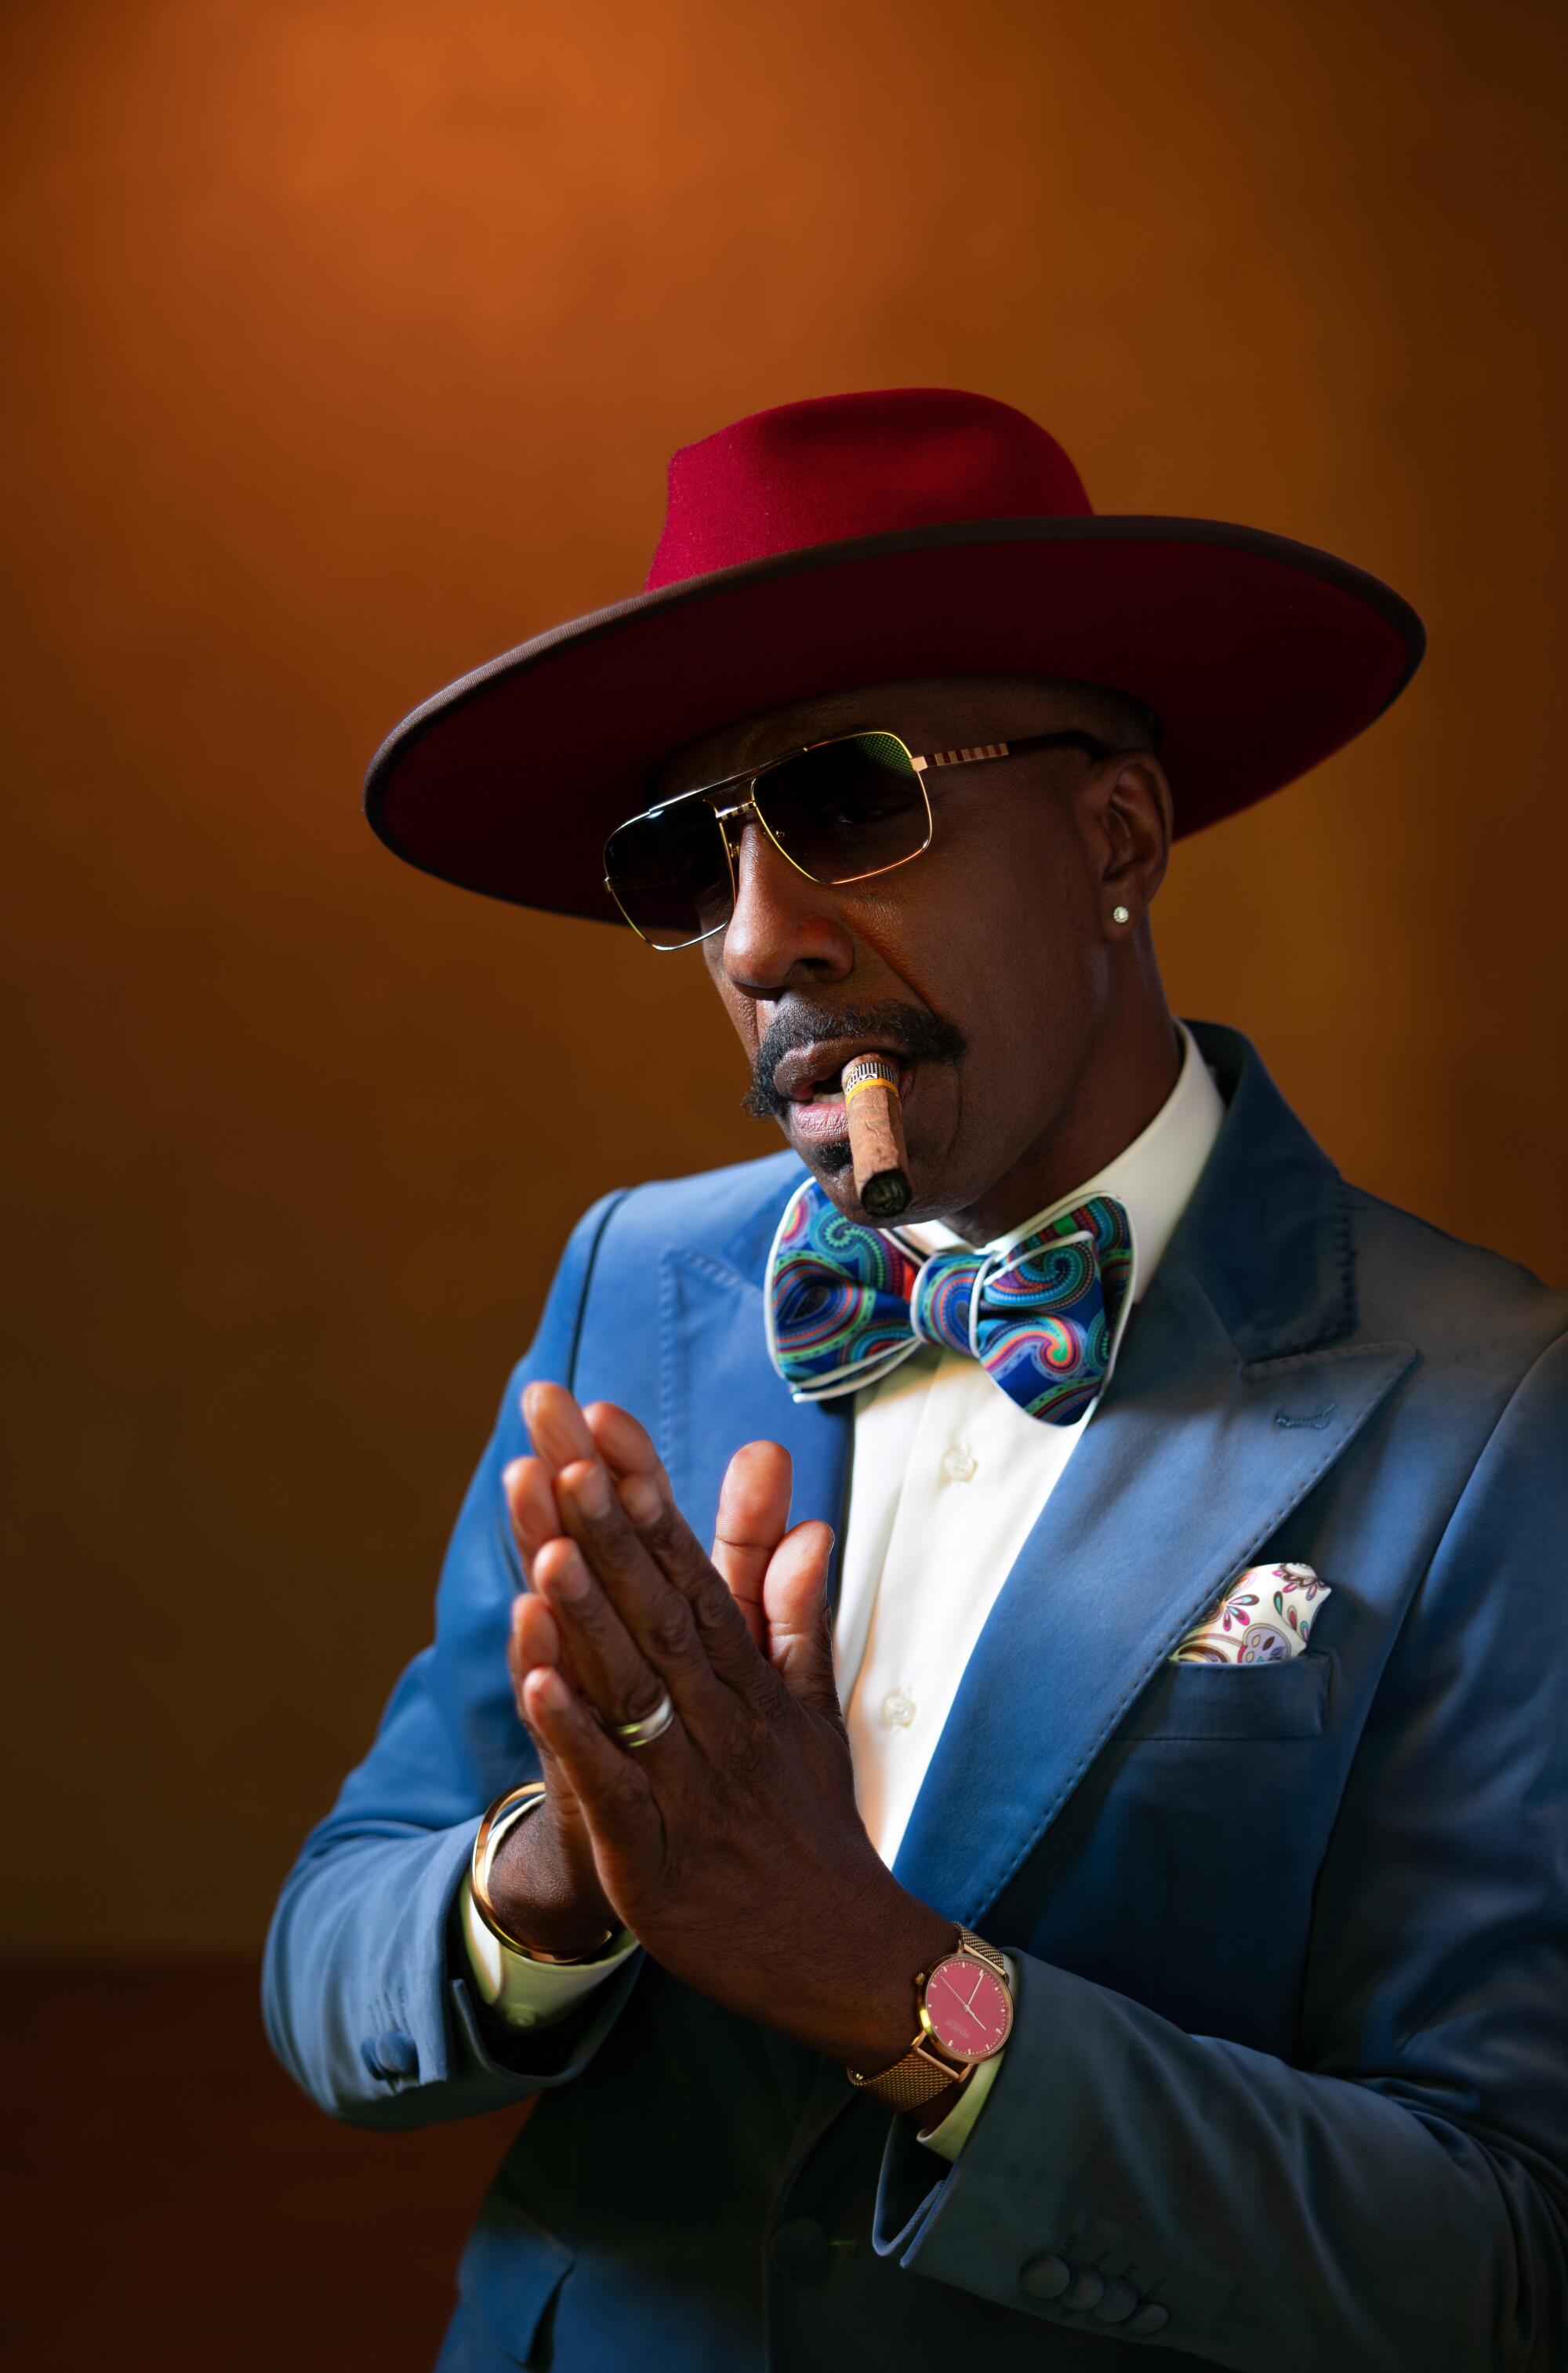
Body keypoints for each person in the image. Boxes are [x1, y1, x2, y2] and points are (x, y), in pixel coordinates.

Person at [264, 388, 1568, 2371]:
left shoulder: (1489, 1408)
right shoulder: (641, 1281)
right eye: (689, 864)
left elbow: (1497, 2250)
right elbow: (332, 1945)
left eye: (852, 803)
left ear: (1113, 831)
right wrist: (564, 1870)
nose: (762, 938)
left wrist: (895, 1989)